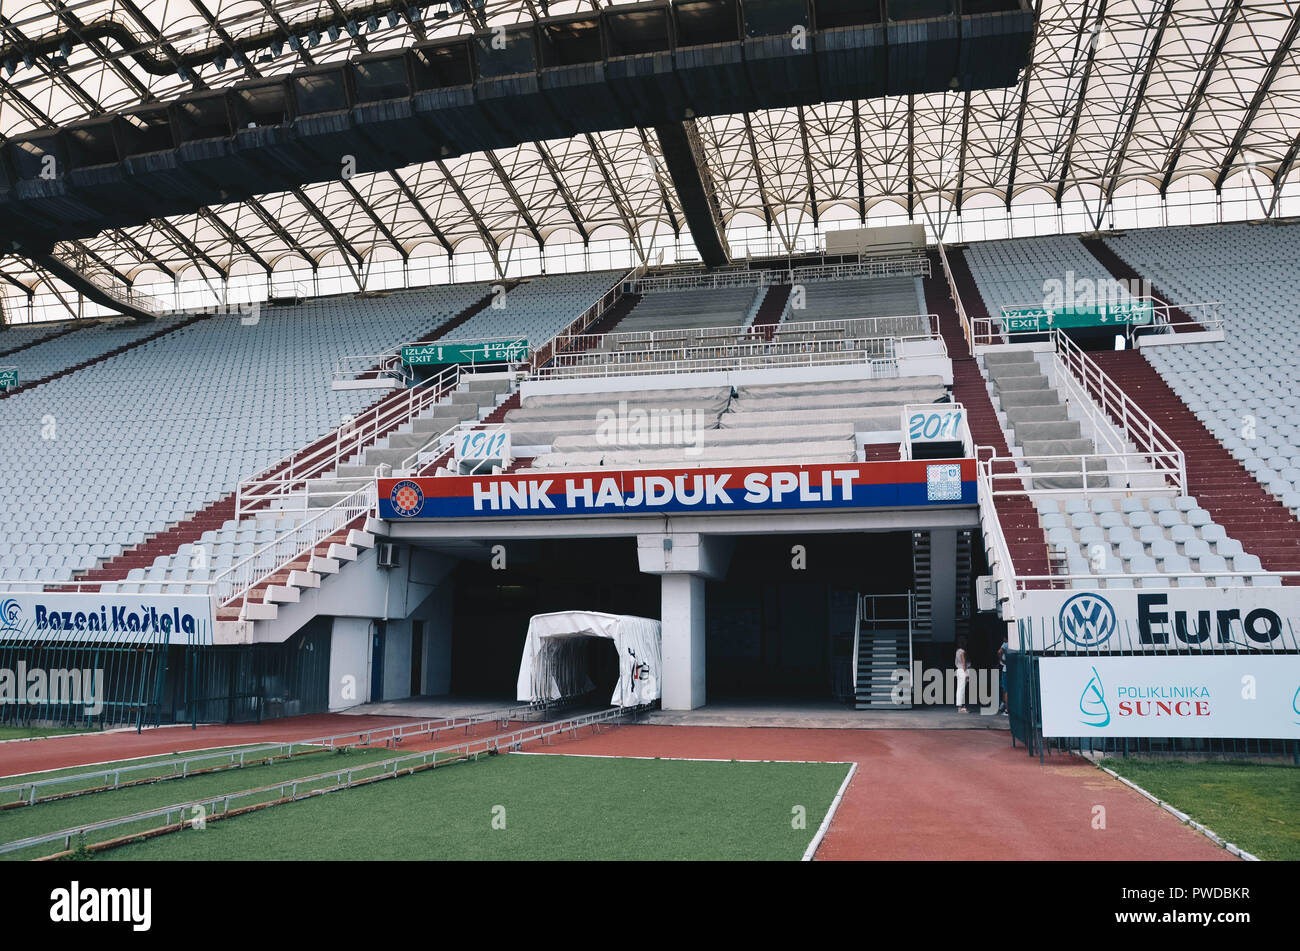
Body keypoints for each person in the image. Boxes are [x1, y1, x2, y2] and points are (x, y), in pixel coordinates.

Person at [954, 636, 971, 714]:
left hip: (958, 670)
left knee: (959, 689)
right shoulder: (963, 652)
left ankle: (960, 706)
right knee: (961, 689)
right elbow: (964, 663)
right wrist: (966, 674)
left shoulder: (958, 651)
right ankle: (960, 707)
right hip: (963, 671)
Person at [997, 636, 1009, 715]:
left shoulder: (1005, 644)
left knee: (1006, 690)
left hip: (1006, 669)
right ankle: (1003, 704)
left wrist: (1002, 660)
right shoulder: (1014, 644)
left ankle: (1006, 710)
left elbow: (999, 652)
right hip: (1013, 668)